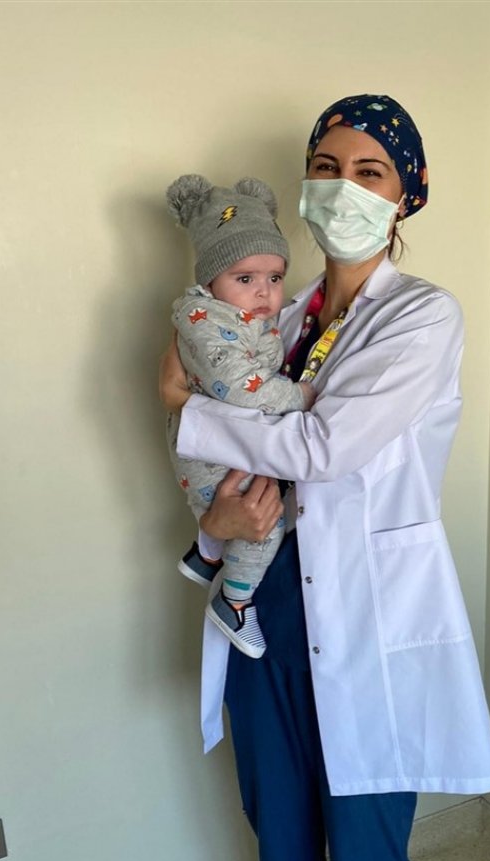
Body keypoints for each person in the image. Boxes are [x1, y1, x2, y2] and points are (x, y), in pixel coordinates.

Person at [160, 94, 490, 861]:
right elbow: (236, 476)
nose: (341, 186)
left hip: (363, 616)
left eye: (369, 171)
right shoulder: (272, 315)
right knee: (280, 835)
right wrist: (213, 529)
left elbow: (321, 448)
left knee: (364, 849)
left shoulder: (422, 318)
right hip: (264, 613)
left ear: (407, 194)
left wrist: (184, 409)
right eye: (325, 167)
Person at [165, 174, 314, 658]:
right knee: (261, 523)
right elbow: (241, 387)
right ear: (210, 281)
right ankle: (234, 602)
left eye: (275, 278)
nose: (264, 292)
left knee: (253, 505)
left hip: (223, 442)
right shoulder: (207, 321)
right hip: (209, 451)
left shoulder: (242, 317)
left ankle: (206, 556)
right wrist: (299, 396)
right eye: (245, 279)